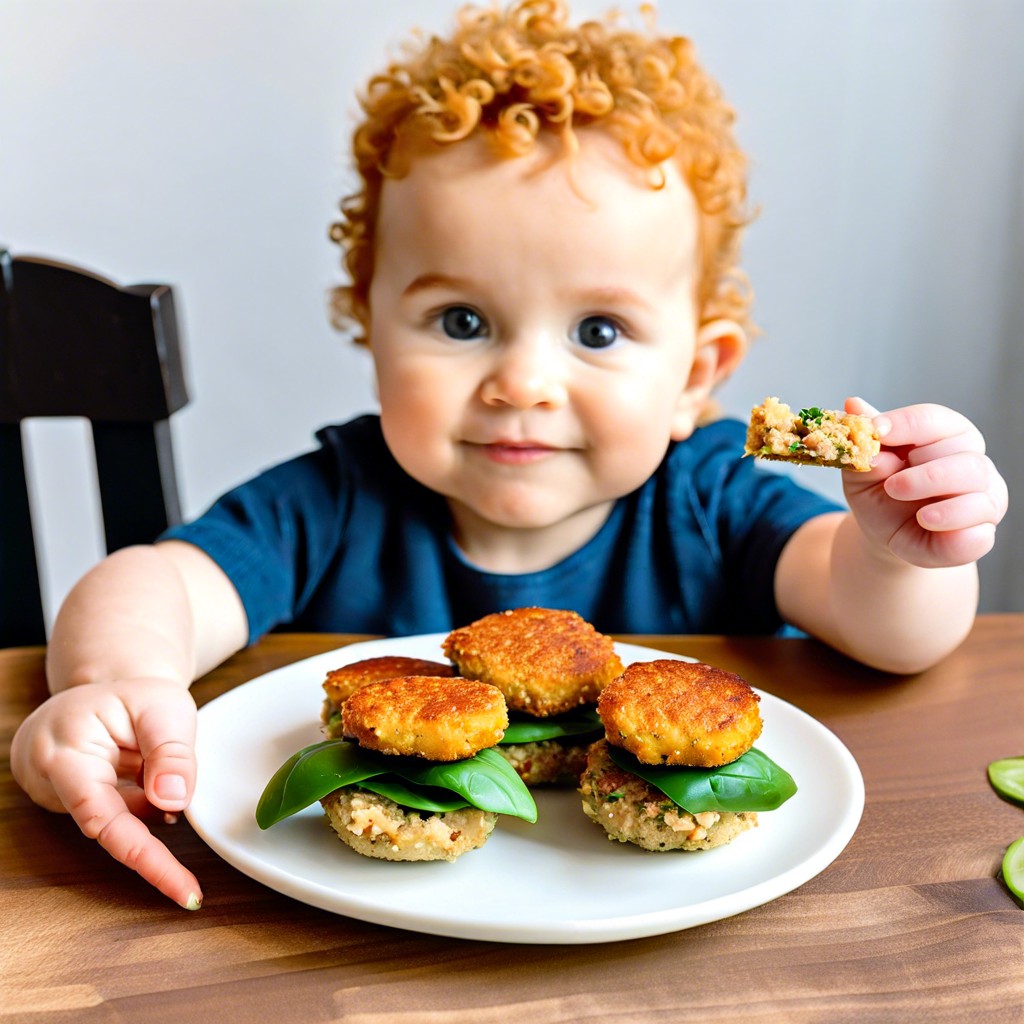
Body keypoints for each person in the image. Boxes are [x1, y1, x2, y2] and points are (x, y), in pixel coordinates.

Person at [11, 0, 1007, 912]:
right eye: (461, 319)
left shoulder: (707, 499)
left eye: (600, 332)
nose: (522, 382)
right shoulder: (332, 500)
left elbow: (891, 633)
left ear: (697, 375)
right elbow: (156, 583)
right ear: (369, 325)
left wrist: (905, 549)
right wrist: (111, 679)